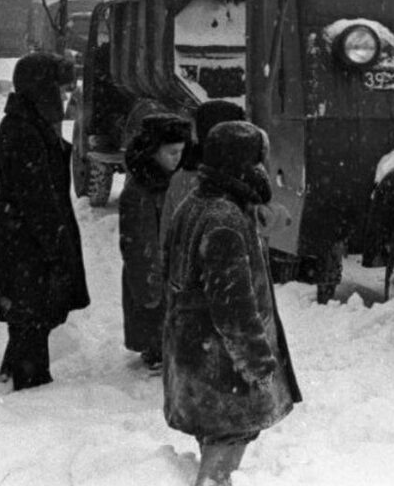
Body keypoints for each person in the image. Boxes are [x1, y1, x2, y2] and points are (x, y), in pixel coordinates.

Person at [162, 121, 301, 486]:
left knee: (216, 439)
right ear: (247, 166)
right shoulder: (224, 221)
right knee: (225, 448)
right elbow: (233, 311)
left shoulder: (196, 205)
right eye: (260, 161)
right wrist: (258, 364)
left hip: (194, 356)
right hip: (219, 367)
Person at [0, 52, 90, 390]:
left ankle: (12, 373)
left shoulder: (29, 122)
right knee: (31, 318)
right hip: (26, 245)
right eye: (62, 90)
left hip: (25, 241)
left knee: (31, 318)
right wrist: (58, 251)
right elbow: (38, 201)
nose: (66, 98)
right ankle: (29, 390)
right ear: (43, 89)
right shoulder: (23, 130)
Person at [120, 112, 192, 370]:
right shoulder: (140, 191)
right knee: (154, 323)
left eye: (181, 151)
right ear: (153, 151)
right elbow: (138, 245)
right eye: (172, 152)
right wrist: (149, 285)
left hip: (168, 273)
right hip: (152, 272)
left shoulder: (171, 182)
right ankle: (154, 353)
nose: (178, 158)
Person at [155, 100, 247, 300]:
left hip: (187, 293)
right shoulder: (232, 181)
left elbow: (166, 239)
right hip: (223, 294)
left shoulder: (182, 178)